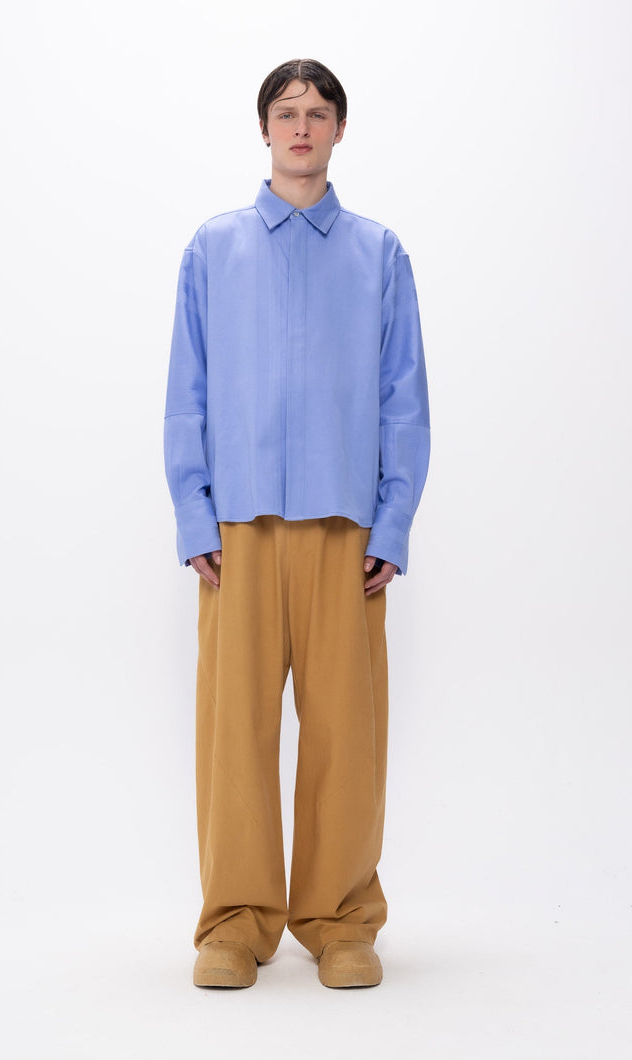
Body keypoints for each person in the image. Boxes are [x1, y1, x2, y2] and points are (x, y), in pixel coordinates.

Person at [163, 58, 430, 989]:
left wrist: (392, 525)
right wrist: (193, 510)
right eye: (287, 112)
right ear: (265, 128)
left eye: (318, 112)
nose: (303, 126)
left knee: (346, 735)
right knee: (234, 733)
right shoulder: (214, 249)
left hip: (345, 533)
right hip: (237, 533)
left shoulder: (379, 254)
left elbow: (404, 400)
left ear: (340, 129)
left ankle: (341, 920)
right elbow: (187, 391)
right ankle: (235, 923)